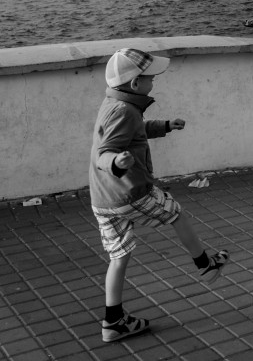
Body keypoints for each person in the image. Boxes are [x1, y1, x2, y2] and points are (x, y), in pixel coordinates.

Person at [89, 48, 229, 343]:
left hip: (103, 198)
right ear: (136, 84)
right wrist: (116, 163)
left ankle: (113, 322)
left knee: (119, 256)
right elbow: (105, 152)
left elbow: (134, 132)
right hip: (129, 192)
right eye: (150, 77)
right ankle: (204, 264)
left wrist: (165, 126)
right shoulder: (124, 110)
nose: (154, 82)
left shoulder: (115, 102)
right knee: (176, 213)